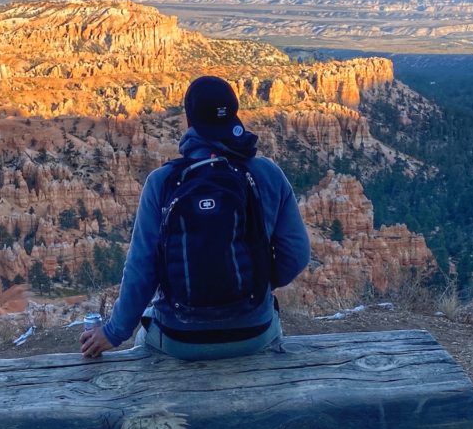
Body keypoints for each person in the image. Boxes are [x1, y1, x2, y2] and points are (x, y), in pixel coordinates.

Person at [81, 75, 311, 360]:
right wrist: (257, 281)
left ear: (189, 120)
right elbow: (298, 254)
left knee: (144, 340)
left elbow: (142, 267)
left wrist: (114, 332)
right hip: (254, 332)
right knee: (272, 331)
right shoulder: (267, 173)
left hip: (180, 338)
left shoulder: (162, 181)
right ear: (234, 114)